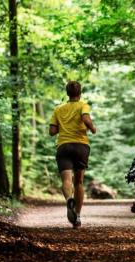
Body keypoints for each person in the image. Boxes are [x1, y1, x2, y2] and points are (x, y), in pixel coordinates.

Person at [49, 81, 97, 228]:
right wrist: (92, 128)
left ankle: (69, 199)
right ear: (80, 93)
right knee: (79, 182)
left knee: (66, 180)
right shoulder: (83, 105)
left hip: (63, 146)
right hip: (81, 146)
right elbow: (85, 118)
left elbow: (52, 131)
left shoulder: (58, 109)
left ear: (67, 93)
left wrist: (64, 125)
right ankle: (77, 216)